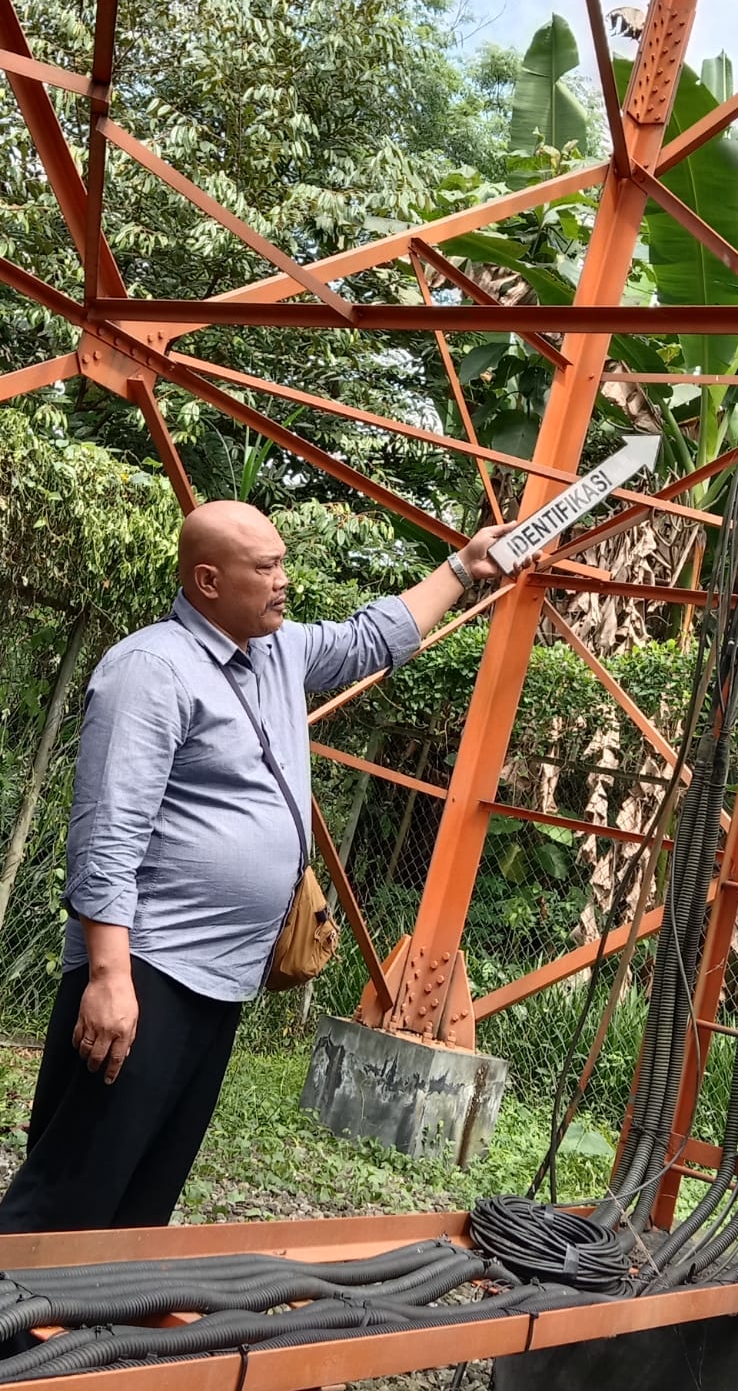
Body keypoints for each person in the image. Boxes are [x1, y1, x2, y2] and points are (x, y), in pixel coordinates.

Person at [0, 502, 518, 1233]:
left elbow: (371, 638)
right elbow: (106, 834)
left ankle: (103, 1306)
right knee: (71, 1191)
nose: (284, 581)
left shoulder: (279, 651)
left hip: (221, 979)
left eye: (282, 563)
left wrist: (464, 568)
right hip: (148, 969)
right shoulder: (151, 668)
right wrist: (110, 978)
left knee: (146, 1190)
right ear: (208, 581)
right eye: (266, 567)